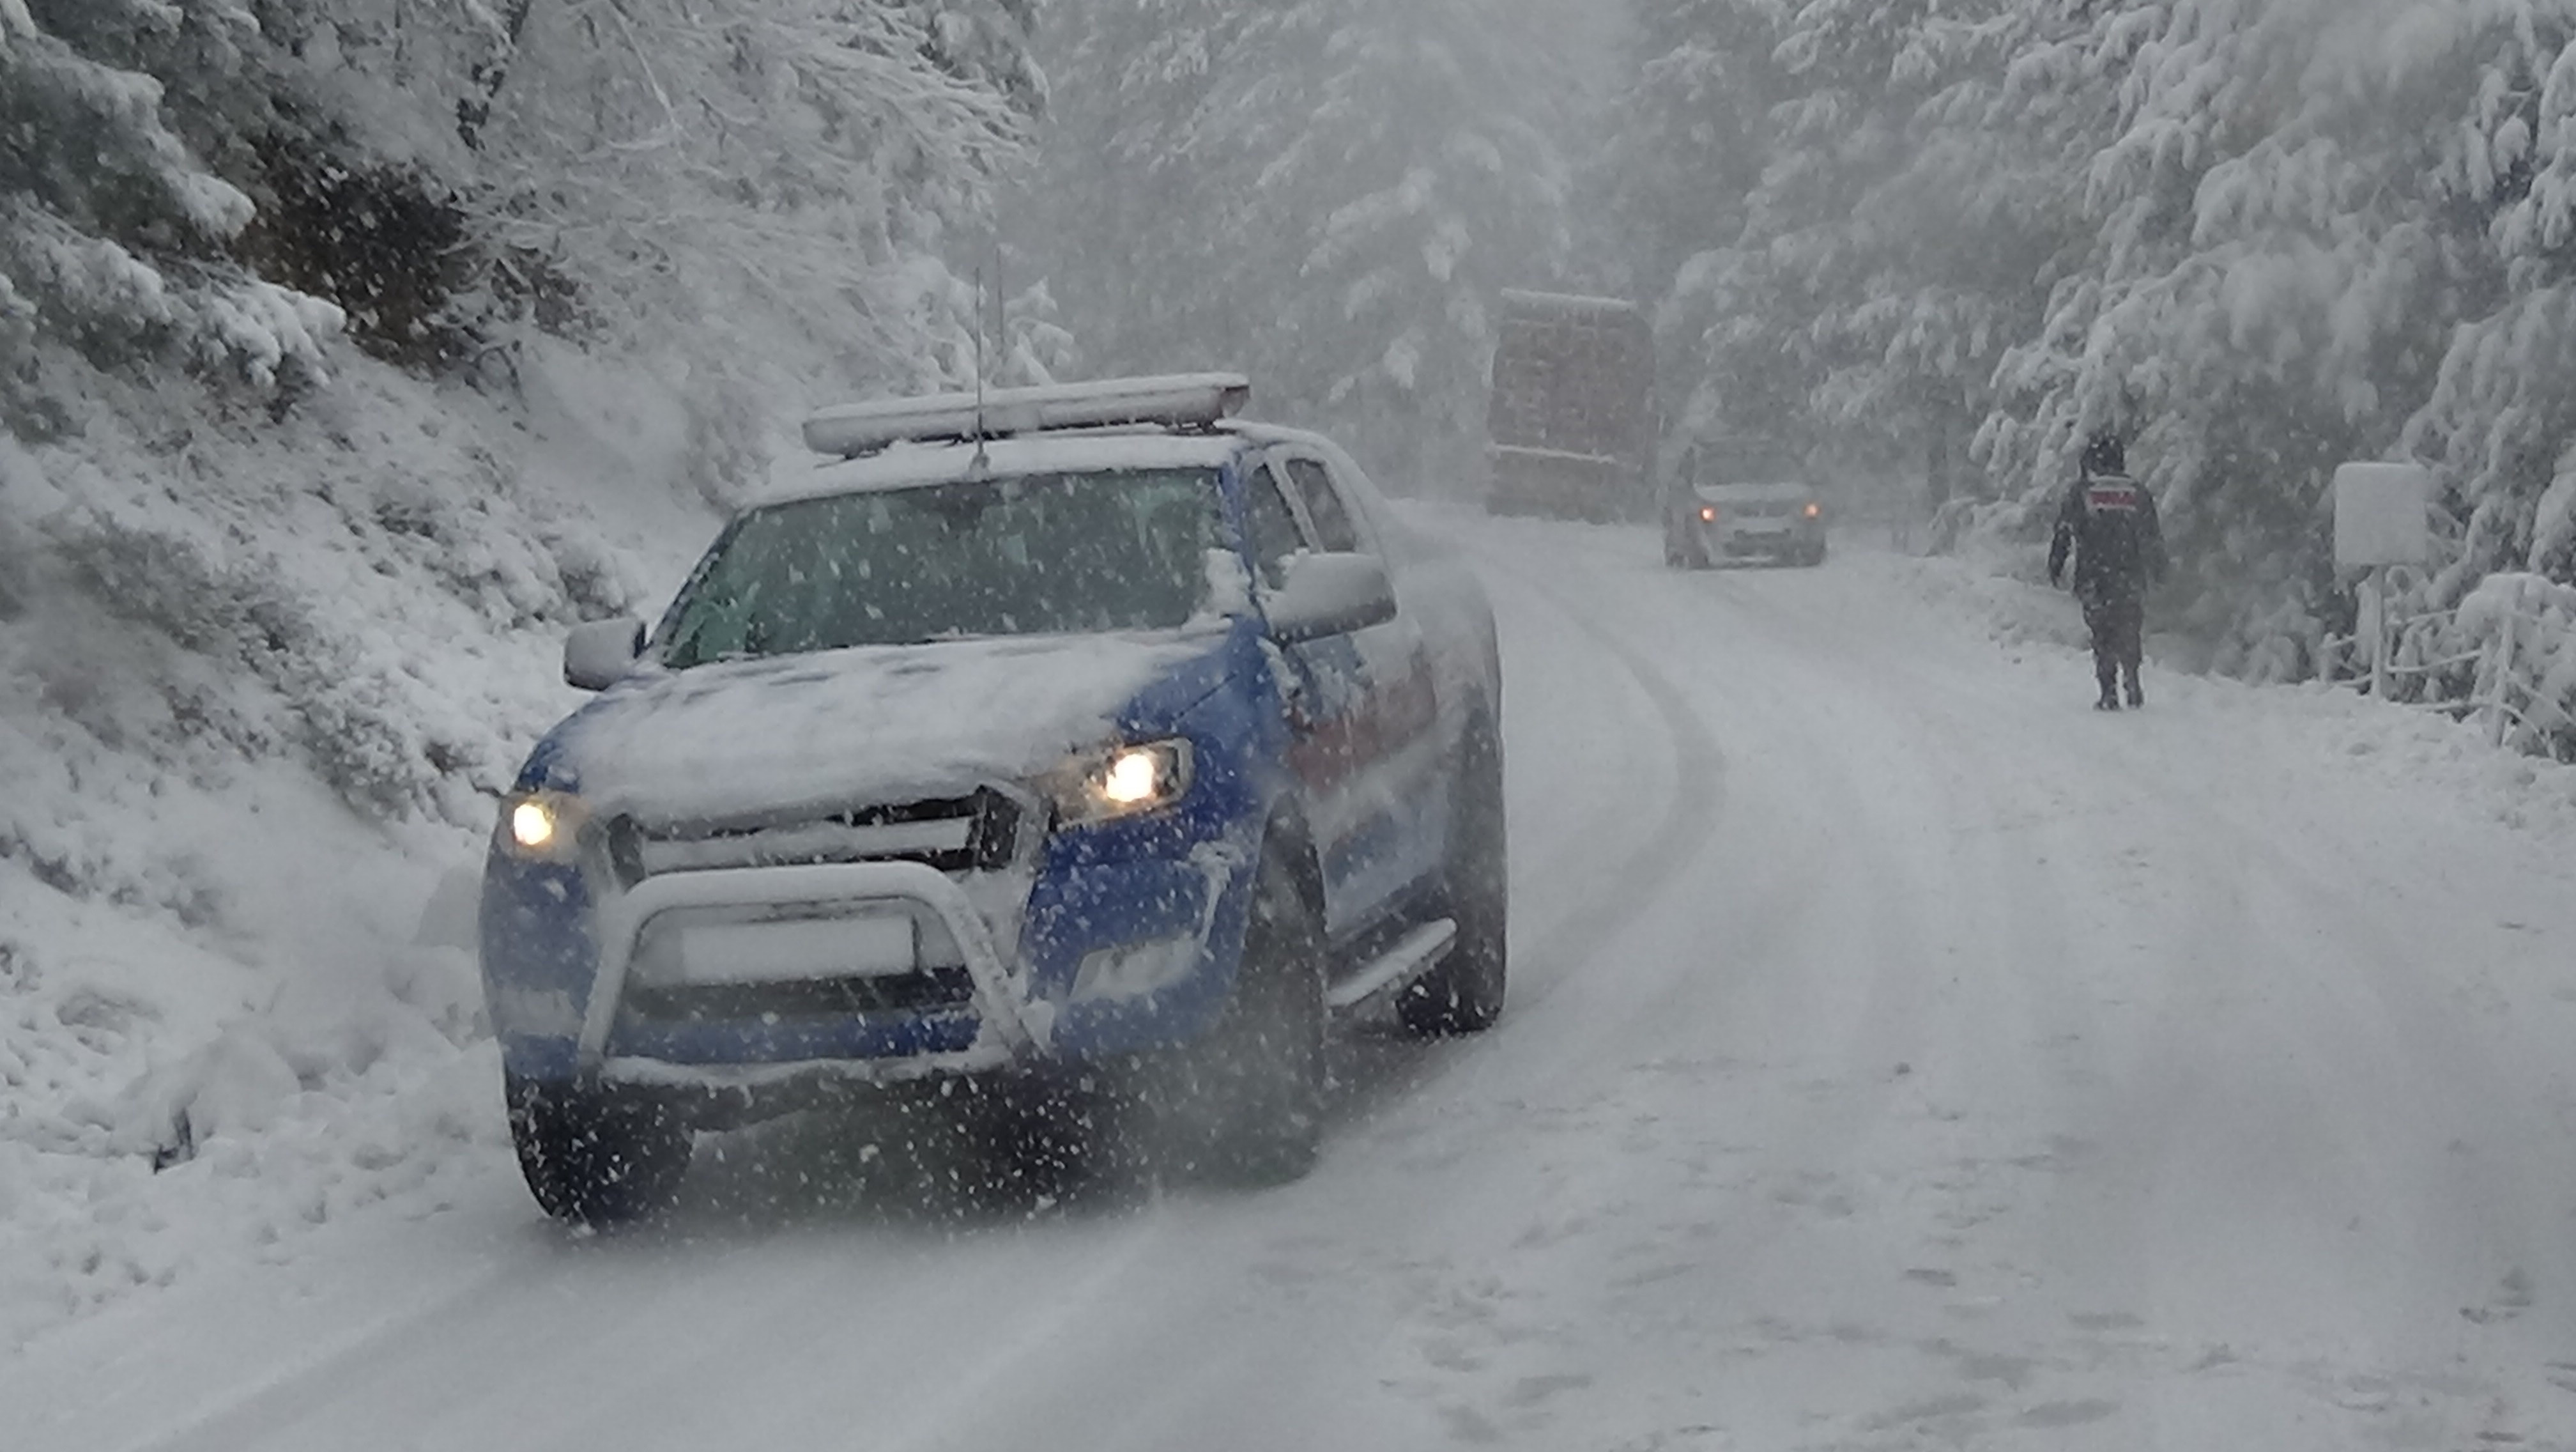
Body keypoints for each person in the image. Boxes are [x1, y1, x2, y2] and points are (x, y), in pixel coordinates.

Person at [2048, 432, 2168, 710]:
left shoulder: (2082, 492)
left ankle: (2108, 691)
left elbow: (2064, 532)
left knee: (2102, 631)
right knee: (2129, 626)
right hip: (2130, 574)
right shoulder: (2137, 493)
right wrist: (2159, 569)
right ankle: (2133, 678)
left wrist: (2056, 564)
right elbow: (2151, 536)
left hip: (2095, 575)